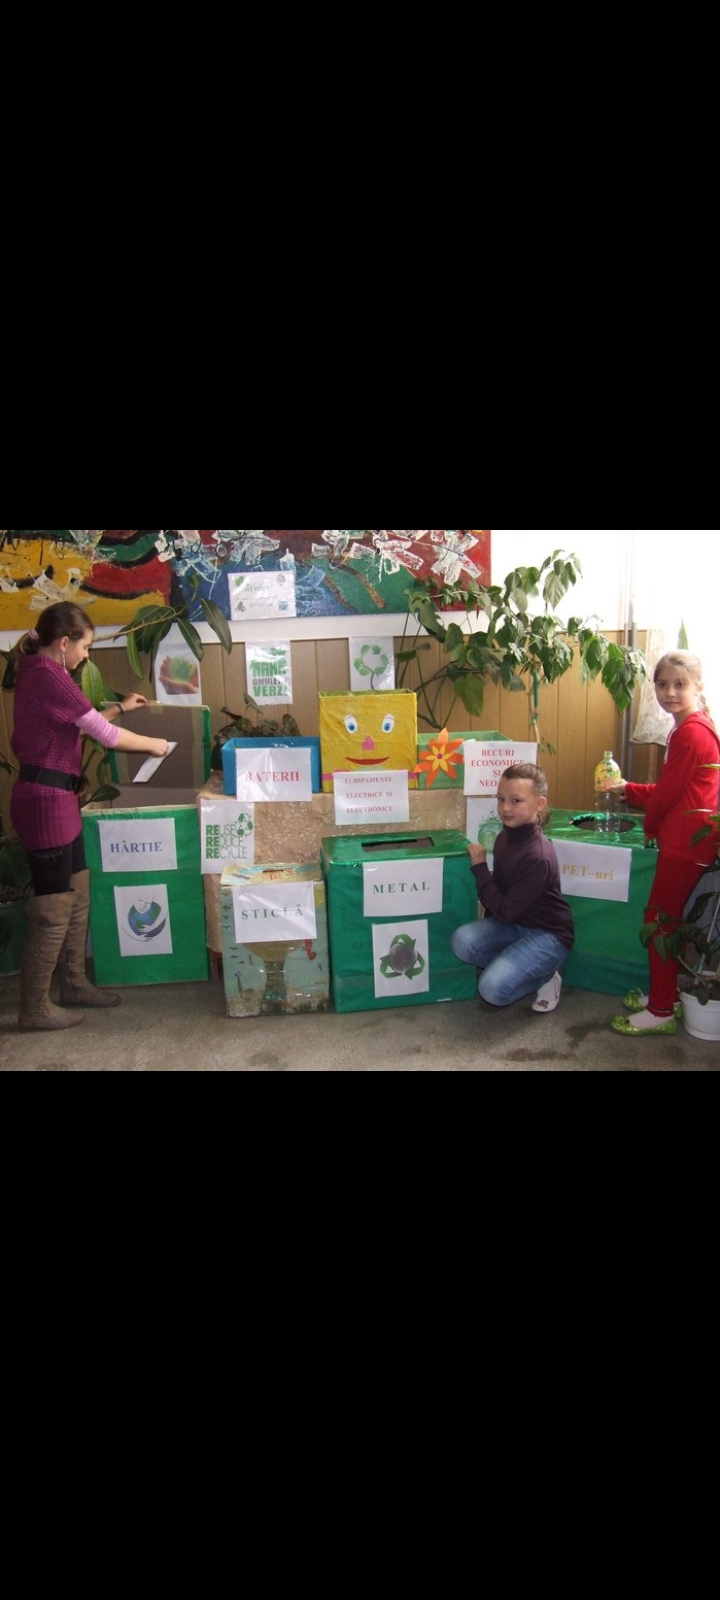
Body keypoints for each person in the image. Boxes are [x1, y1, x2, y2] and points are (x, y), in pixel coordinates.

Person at [10, 602, 171, 1031]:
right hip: (45, 804)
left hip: (58, 801)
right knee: (52, 907)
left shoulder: (45, 671)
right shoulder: (48, 674)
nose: (87, 656)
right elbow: (104, 736)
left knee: (77, 890)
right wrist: (154, 744)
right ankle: (34, 1009)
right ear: (64, 643)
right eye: (85, 646)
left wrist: (122, 708)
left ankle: (74, 984)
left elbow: (76, 726)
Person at [611, 651, 720, 1037]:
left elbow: (669, 796)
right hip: (692, 837)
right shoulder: (693, 725)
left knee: (659, 924)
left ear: (698, 687)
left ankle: (660, 1010)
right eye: (662, 684)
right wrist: (631, 790)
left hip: (686, 841)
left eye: (680, 684)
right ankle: (666, 995)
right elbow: (677, 787)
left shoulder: (690, 732)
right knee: (666, 921)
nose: (670, 692)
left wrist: (650, 824)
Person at [451, 763, 575, 1012]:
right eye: (501, 799)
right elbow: (503, 898)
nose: (505, 808)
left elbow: (505, 910)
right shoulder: (506, 835)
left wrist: (479, 869)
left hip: (547, 934)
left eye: (516, 800)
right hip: (514, 923)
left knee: (492, 990)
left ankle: (547, 975)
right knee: (461, 942)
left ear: (539, 804)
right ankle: (517, 962)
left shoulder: (537, 855)